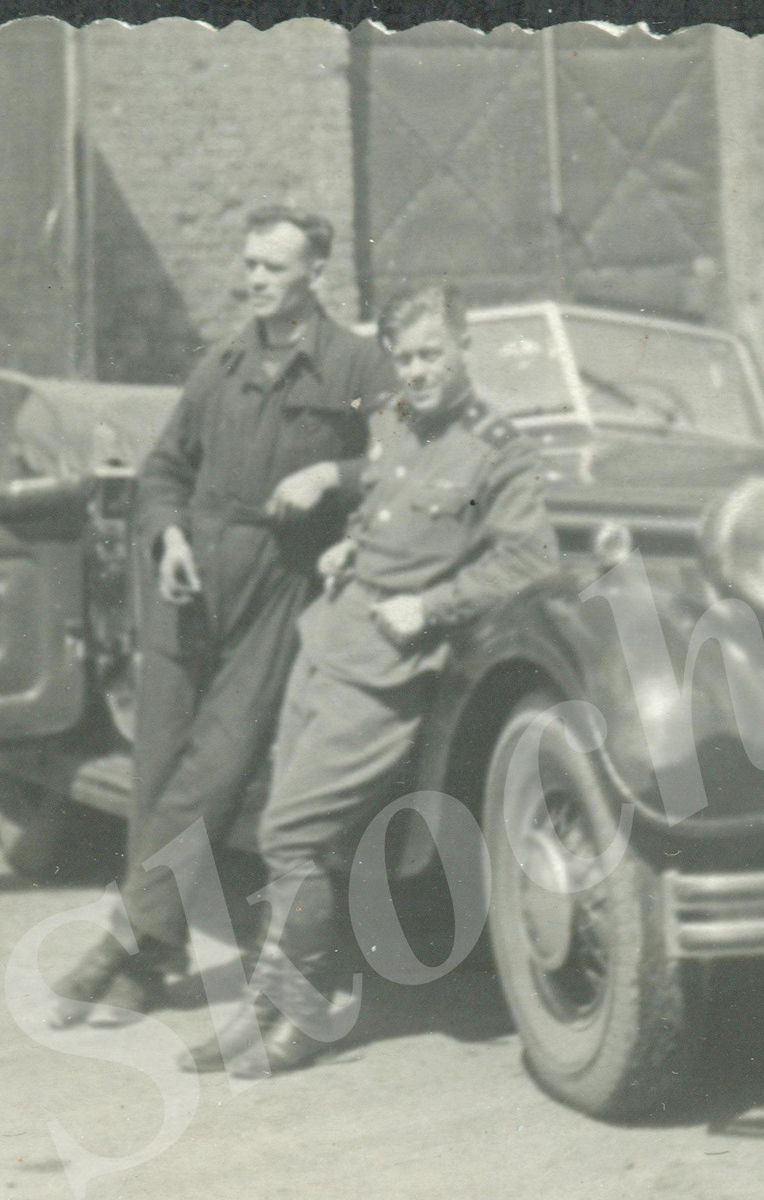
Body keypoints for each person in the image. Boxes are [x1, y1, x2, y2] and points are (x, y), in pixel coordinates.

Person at [184, 282, 559, 1076]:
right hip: (329, 640)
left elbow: (529, 560)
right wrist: (351, 541)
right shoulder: (392, 421)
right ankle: (263, 1004)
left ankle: (304, 1011)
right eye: (405, 355)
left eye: (432, 354)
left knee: (293, 832)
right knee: (282, 828)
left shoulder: (499, 450)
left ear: (465, 350)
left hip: (388, 669)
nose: (417, 370)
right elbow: (388, 498)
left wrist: (431, 605)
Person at [53, 207, 396, 1026]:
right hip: (189, 580)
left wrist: (332, 478)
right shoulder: (222, 362)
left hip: (276, 581)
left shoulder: (355, 360)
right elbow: (164, 468)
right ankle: (148, 959)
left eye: (274, 266)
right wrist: (167, 537)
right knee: (159, 770)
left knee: (218, 768)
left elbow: (401, 456)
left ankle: (123, 943)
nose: (256, 279)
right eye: (250, 264)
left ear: (316, 272)